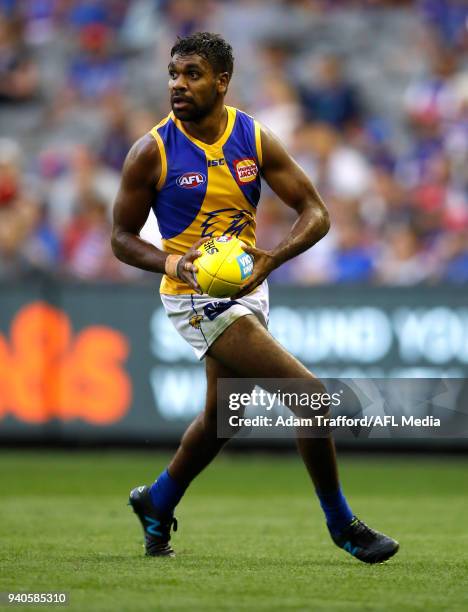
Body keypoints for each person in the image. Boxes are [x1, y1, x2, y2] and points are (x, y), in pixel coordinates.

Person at [111, 32, 399, 564]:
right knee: (310, 398)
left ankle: (157, 500)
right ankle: (343, 525)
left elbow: (316, 211)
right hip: (194, 298)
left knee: (226, 417)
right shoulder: (150, 151)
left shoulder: (253, 136)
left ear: (222, 82)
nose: (178, 84)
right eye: (174, 74)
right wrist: (173, 262)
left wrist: (271, 258)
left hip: (248, 285)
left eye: (192, 74)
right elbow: (121, 238)